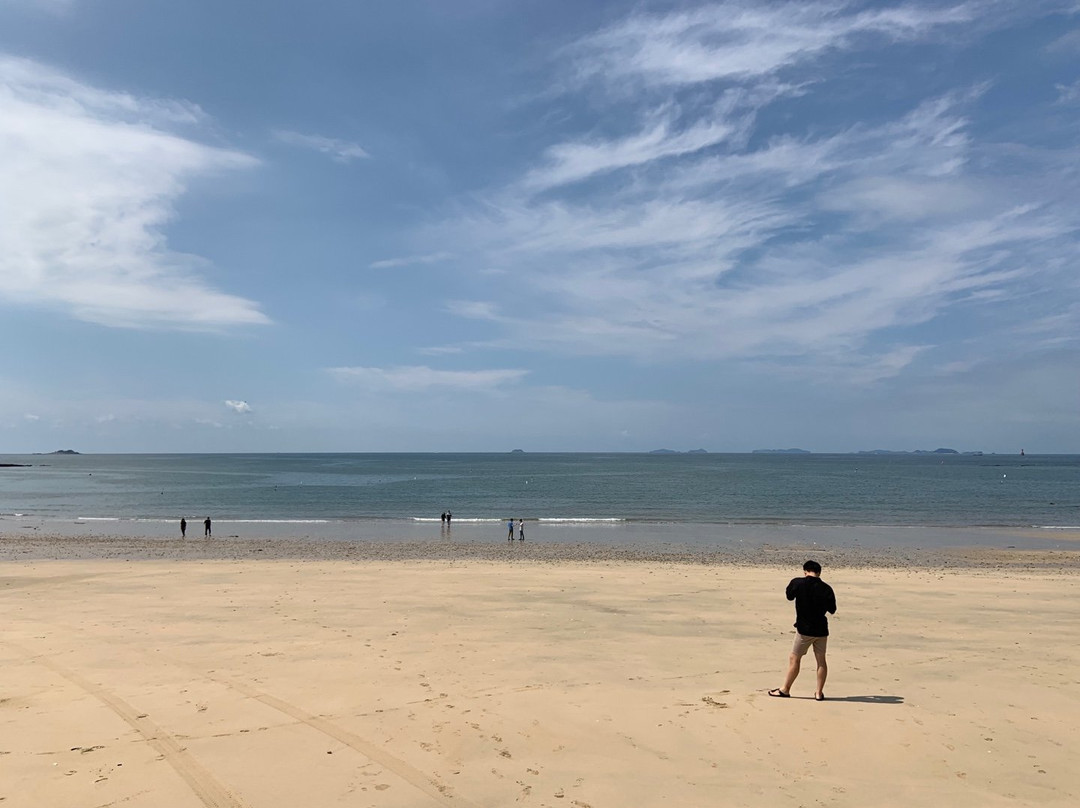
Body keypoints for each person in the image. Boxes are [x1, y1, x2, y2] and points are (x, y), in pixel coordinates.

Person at [769, 560, 836, 701]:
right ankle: (819, 693)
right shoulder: (826, 588)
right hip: (821, 630)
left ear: (805, 571)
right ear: (819, 572)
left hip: (804, 629)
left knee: (795, 658)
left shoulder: (798, 583)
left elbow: (789, 596)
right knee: (821, 661)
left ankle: (785, 689)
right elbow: (832, 609)